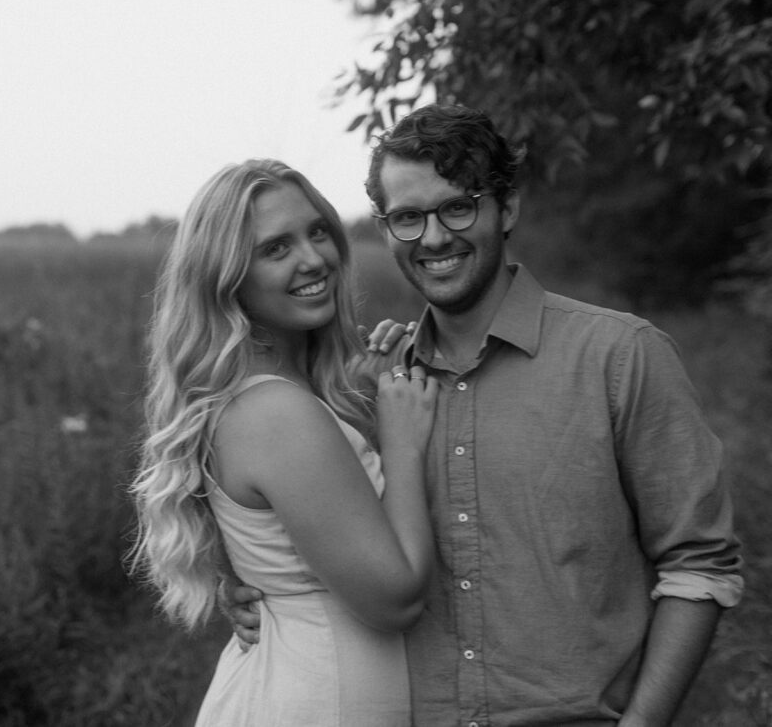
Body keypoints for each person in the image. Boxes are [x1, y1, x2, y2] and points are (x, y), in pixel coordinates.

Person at [226, 104, 745, 726]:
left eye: (458, 206)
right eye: (408, 218)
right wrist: (246, 590)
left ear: (508, 209)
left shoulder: (620, 357)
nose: (436, 237)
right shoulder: (370, 392)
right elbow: (314, 546)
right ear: (386, 229)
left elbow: (698, 565)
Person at [127, 158, 440, 726]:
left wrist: (366, 404)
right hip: (320, 699)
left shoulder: (278, 396)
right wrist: (402, 440)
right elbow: (394, 599)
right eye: (275, 249)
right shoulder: (276, 411)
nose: (314, 258)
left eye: (317, 230)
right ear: (227, 278)